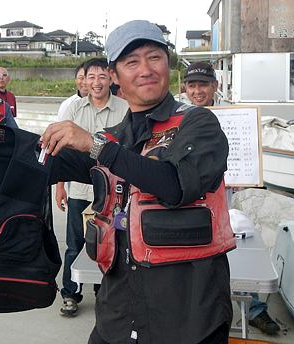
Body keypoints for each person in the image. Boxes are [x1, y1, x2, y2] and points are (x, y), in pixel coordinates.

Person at [40, 20, 235, 344]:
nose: (145, 69)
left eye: (154, 57)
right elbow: (46, 165)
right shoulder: (116, 136)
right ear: (115, 76)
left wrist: (97, 145)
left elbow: (174, 185)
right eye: (132, 62)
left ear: (168, 66)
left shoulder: (199, 123)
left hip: (190, 318)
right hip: (118, 312)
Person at [183, 61, 280, 335]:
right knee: (195, 251)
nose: (198, 91)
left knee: (237, 246)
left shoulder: (233, 114)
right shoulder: (176, 115)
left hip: (223, 193)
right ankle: (198, 312)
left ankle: (256, 308)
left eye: (203, 84)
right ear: (185, 88)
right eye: (192, 85)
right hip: (187, 194)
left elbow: (245, 151)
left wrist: (246, 174)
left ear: (215, 85)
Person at [55, 57, 129, 317]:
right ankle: (70, 294)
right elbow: (61, 150)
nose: (96, 82)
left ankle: (104, 294)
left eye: (101, 76)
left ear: (111, 79)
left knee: (112, 242)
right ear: (83, 81)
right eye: (91, 77)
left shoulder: (125, 108)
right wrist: (60, 187)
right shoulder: (74, 108)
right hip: (79, 191)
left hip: (114, 194)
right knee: (75, 244)